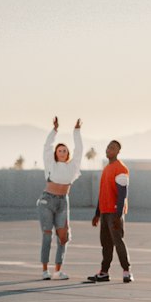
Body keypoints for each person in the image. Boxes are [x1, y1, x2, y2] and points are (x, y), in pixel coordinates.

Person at [37, 116, 83, 279]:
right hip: (47, 201)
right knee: (47, 235)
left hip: (63, 202)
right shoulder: (51, 164)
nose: (62, 152)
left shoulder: (73, 167)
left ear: (67, 153)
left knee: (63, 237)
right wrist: (54, 130)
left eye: (65, 150)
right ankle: (44, 270)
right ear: (56, 153)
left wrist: (76, 131)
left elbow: (79, 150)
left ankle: (58, 270)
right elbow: (47, 146)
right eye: (59, 150)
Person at [85, 140, 133, 282]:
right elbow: (102, 193)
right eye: (107, 148)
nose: (108, 150)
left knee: (118, 241)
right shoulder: (106, 168)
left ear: (118, 151)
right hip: (105, 212)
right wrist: (97, 214)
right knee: (105, 244)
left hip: (114, 213)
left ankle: (126, 271)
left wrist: (118, 216)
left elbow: (122, 193)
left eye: (112, 148)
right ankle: (104, 272)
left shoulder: (121, 168)